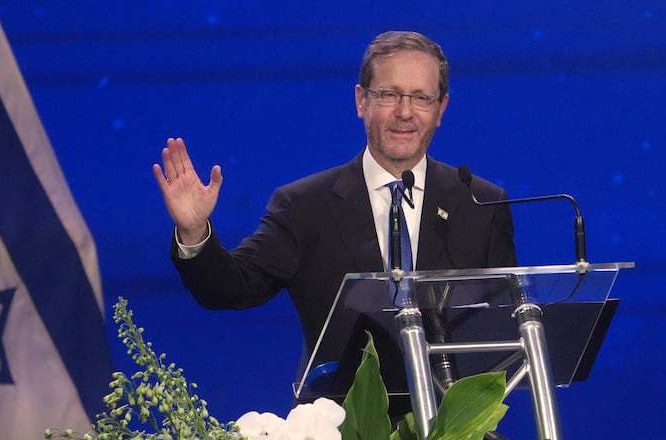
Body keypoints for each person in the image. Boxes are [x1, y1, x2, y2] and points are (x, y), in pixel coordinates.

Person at [152, 30, 517, 411]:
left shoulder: (480, 202)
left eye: (421, 98)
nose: (405, 112)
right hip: (339, 424)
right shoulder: (304, 205)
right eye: (388, 94)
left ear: (441, 109)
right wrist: (194, 231)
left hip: (450, 426)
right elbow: (231, 288)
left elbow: (506, 328)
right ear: (361, 101)